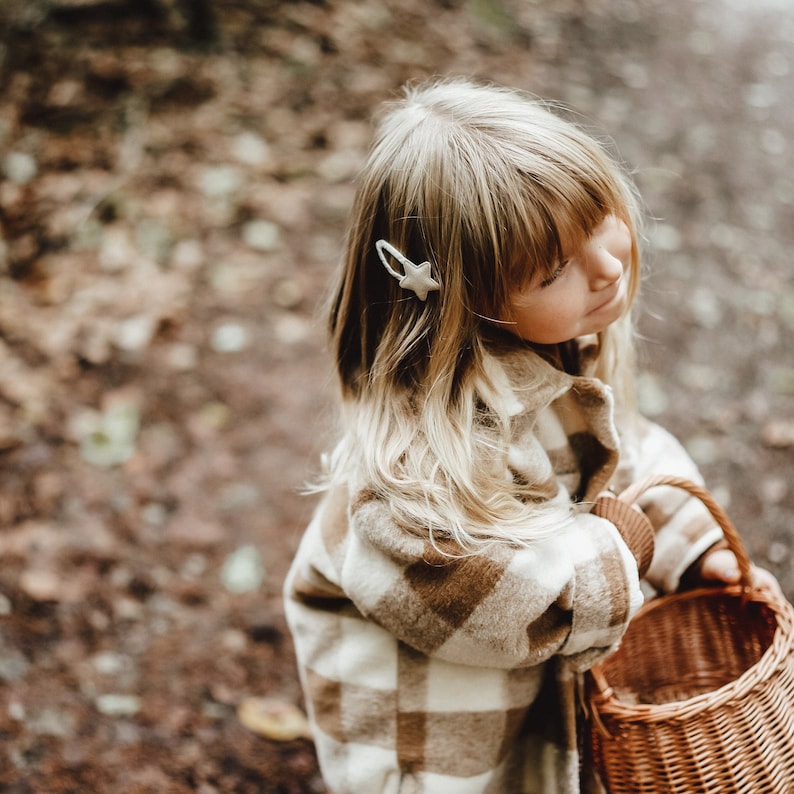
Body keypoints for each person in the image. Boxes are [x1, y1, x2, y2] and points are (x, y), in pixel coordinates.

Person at [283, 77, 781, 794]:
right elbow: (503, 611)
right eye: (554, 270)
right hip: (442, 745)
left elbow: (626, 457)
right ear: (468, 303)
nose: (608, 266)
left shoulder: (553, 347)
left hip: (524, 707)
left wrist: (694, 548)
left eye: (601, 218)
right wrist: (624, 547)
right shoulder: (413, 473)